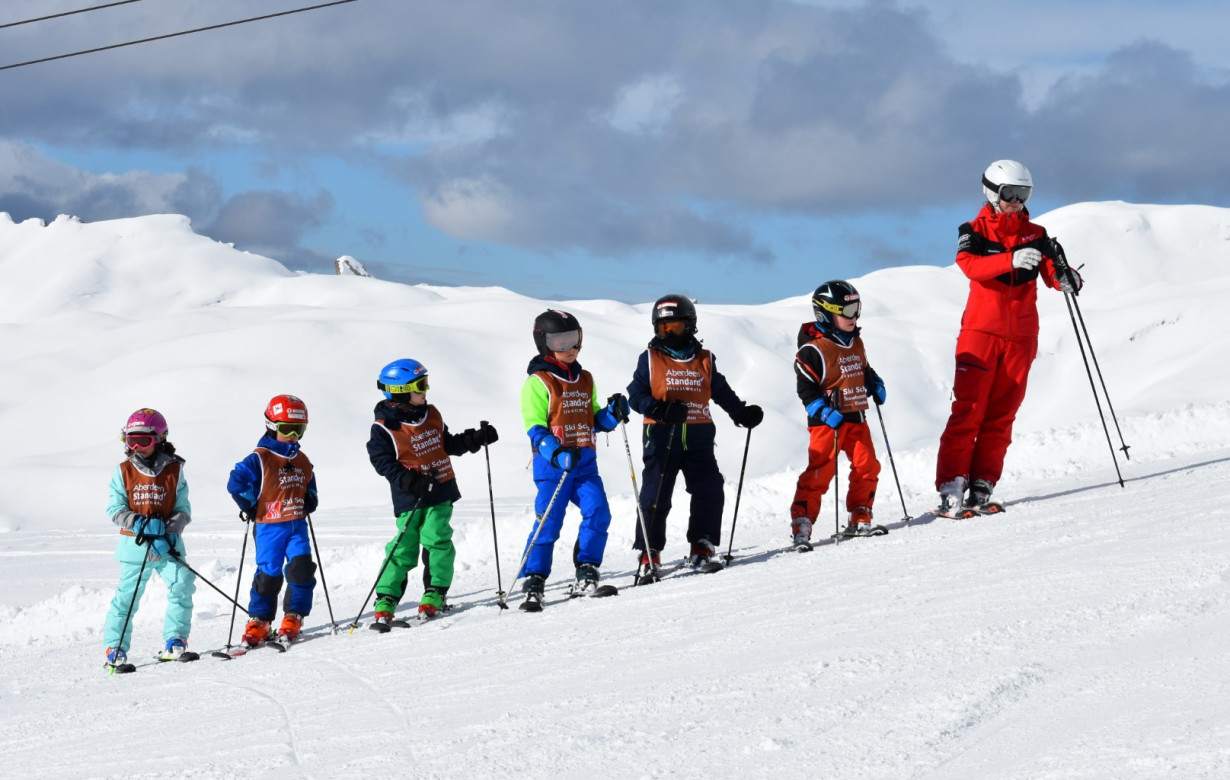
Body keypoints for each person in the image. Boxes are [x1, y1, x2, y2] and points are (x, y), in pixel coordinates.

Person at [935, 160, 1083, 514]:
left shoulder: (1037, 233)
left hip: (1021, 337)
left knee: (1003, 413)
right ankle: (952, 483)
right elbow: (969, 265)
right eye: (1009, 194)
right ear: (991, 192)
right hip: (981, 333)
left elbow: (1053, 273)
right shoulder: (973, 230)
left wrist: (1067, 277)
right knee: (968, 410)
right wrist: (1010, 259)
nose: (1016, 201)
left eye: (1023, 194)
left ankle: (983, 481)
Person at [626, 294, 763, 579]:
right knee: (655, 496)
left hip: (699, 439)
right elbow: (635, 396)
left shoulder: (704, 359)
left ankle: (702, 546)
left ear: (689, 326)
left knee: (710, 488)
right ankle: (649, 553)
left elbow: (721, 391)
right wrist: (659, 409)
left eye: (674, 327)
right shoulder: (650, 358)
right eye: (662, 328)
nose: (668, 333)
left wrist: (740, 413)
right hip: (662, 438)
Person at [365, 359, 497, 629]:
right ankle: (386, 597)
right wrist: (409, 480)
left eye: (426, 383)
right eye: (420, 385)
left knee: (437, 539)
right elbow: (382, 462)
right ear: (399, 391)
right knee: (404, 546)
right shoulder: (383, 428)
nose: (426, 390)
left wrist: (473, 439)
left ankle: (435, 590)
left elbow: (446, 443)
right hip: (409, 497)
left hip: (441, 490)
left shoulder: (432, 414)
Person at [517, 310, 629, 610]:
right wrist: (556, 452)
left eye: (575, 340)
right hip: (554, 468)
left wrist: (612, 414)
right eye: (561, 341)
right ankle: (535, 577)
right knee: (548, 522)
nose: (571, 348)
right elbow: (535, 427)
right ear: (544, 342)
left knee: (598, 512)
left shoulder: (585, 378)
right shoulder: (538, 383)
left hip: (585, 465)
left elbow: (593, 419)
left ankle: (587, 568)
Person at [790, 281, 885, 542]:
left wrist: (874, 382)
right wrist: (822, 411)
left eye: (857, 309)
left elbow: (862, 368)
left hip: (856, 416)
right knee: (820, 472)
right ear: (826, 313)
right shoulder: (812, 350)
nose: (854, 316)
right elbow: (805, 390)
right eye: (848, 310)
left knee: (868, 466)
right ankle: (802, 520)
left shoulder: (856, 342)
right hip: (827, 423)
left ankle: (860, 513)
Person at [102, 408, 195, 668]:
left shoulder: (175, 470)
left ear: (159, 439)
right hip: (136, 545)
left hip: (168, 546)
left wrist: (169, 528)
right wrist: (140, 523)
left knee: (183, 584)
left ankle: (175, 639)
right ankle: (115, 646)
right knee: (127, 596)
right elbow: (114, 509)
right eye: (130, 440)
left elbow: (184, 510)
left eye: (143, 441)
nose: (136, 447)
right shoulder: (124, 471)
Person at [227, 394, 319, 646]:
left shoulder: (300, 458)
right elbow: (236, 482)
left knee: (301, 569)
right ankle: (260, 619)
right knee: (269, 574)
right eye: (287, 429)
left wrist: (311, 497)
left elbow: (309, 479)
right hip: (269, 526)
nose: (293, 436)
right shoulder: (260, 457)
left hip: (296, 524)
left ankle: (294, 614)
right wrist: (249, 503)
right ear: (271, 426)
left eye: (299, 430)